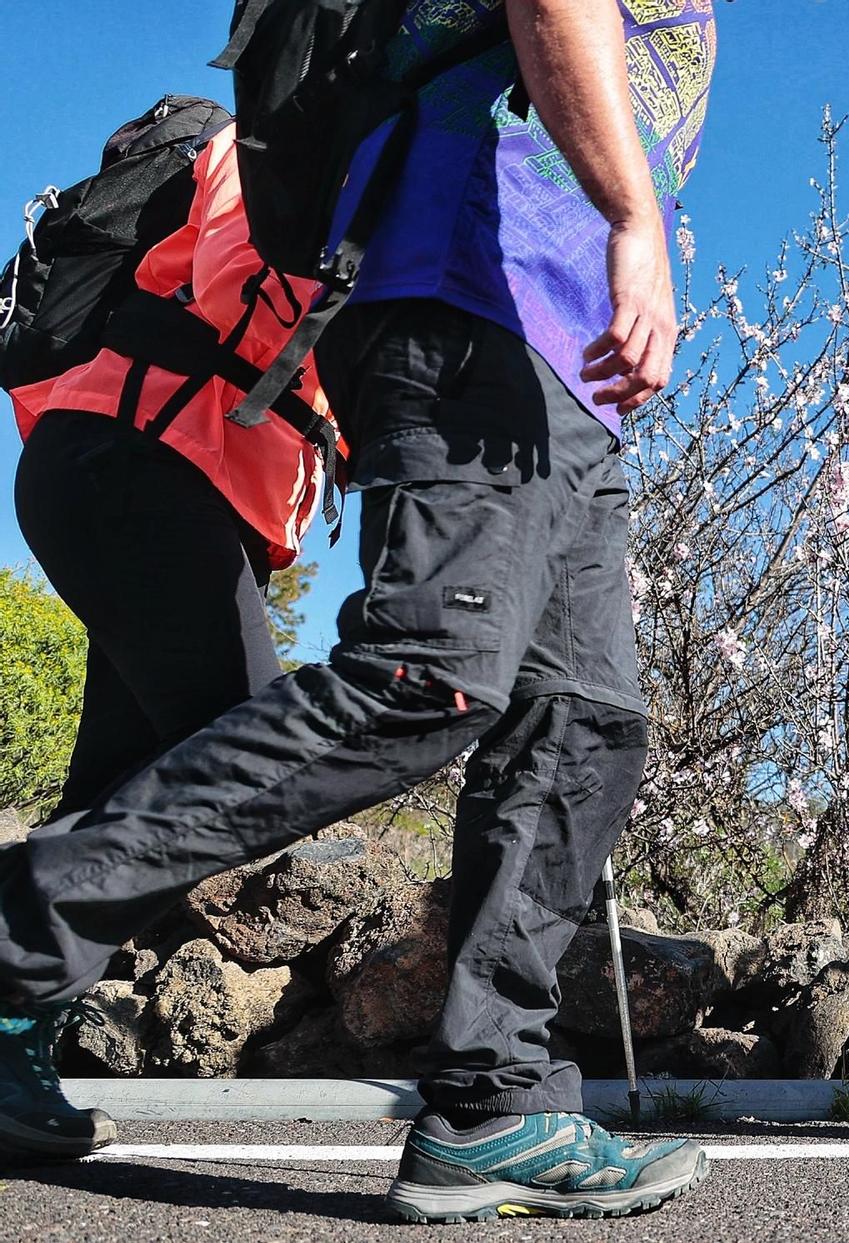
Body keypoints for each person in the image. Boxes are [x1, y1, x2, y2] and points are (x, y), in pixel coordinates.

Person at [0, 0, 719, 1223]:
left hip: (565, 356)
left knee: (582, 717)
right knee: (425, 673)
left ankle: (494, 1105)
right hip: (470, 285)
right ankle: (17, 942)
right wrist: (634, 215)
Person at [10, 124, 332, 824]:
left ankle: (42, 919)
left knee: (113, 791)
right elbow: (228, 276)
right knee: (256, 758)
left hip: (187, 489)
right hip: (131, 463)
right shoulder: (265, 140)